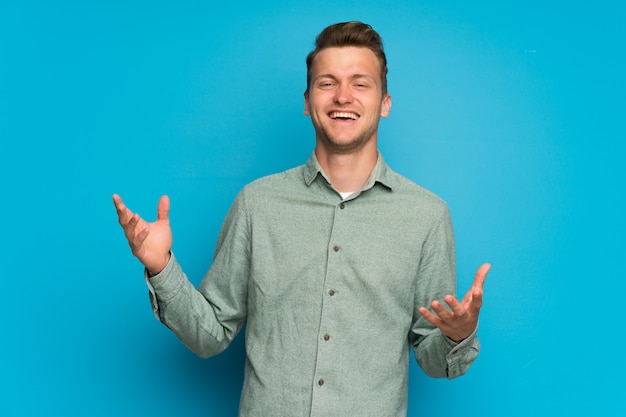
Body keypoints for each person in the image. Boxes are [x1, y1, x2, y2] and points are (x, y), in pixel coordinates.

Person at [113, 21, 490, 417]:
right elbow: (211, 335)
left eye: (360, 84)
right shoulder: (257, 204)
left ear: (385, 103)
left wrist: (456, 335)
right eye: (327, 83)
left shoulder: (426, 216)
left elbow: (433, 359)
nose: (343, 96)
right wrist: (161, 267)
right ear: (308, 100)